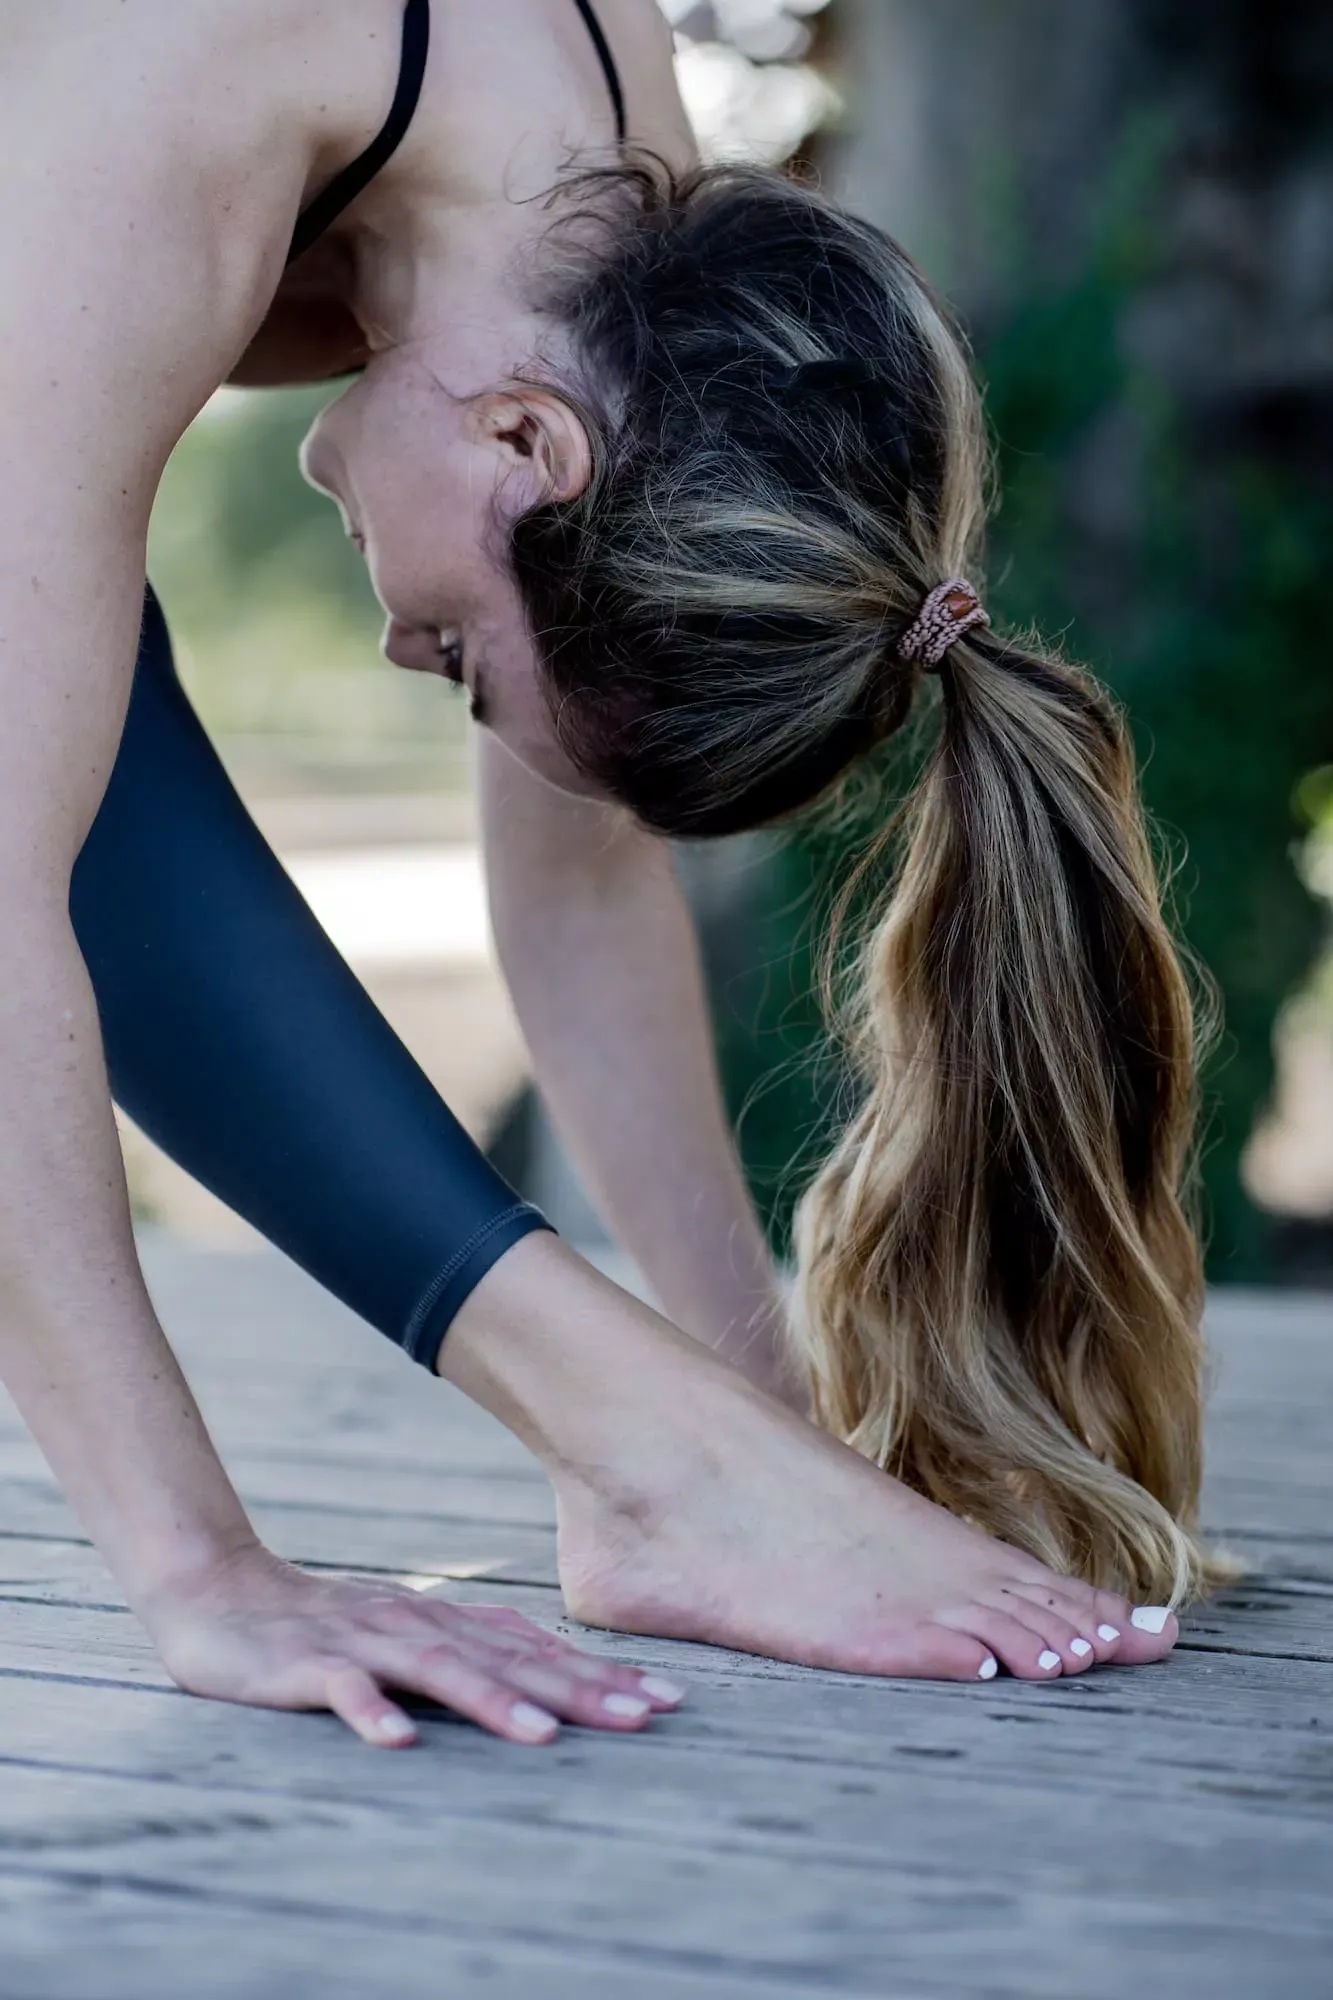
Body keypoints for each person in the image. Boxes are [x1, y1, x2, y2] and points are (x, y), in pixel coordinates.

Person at [1, 0, 1200, 1753]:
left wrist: (761, 1427)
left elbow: (576, 895)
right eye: (465, 663)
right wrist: (202, 1566)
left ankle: (663, 1450)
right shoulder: (192, 83)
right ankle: (630, 1429)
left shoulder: (614, 219)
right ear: (523, 446)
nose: (407, 651)